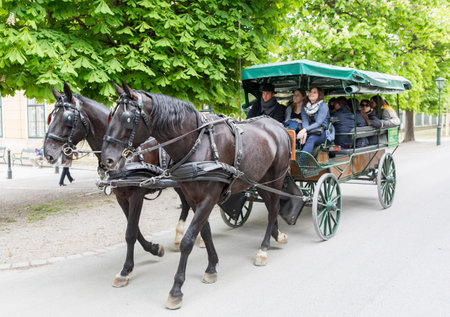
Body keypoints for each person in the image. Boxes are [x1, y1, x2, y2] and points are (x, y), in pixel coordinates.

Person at [297, 87, 330, 154]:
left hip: (322, 131)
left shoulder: (323, 105)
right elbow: (305, 120)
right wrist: (305, 132)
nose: (311, 94)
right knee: (297, 138)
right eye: (311, 92)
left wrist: (305, 130)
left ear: (319, 95)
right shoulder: (305, 105)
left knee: (311, 139)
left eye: (314, 92)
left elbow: (318, 123)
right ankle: (292, 159)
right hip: (309, 130)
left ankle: (302, 161)